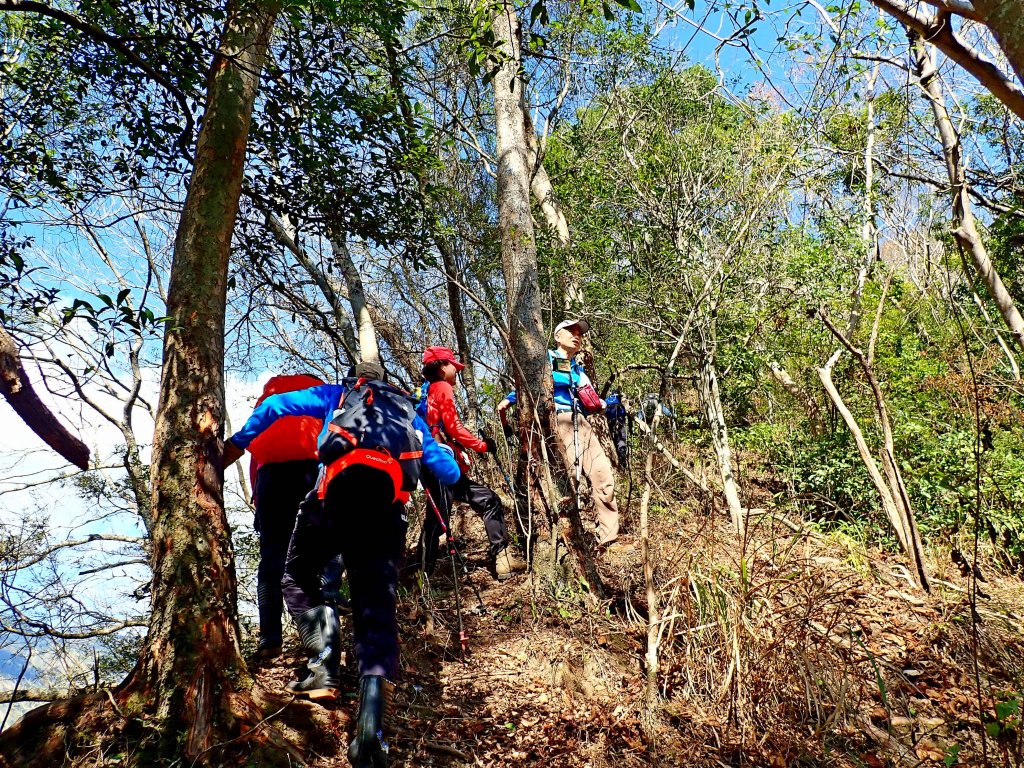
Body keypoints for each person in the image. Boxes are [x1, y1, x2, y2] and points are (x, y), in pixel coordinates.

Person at [225, 361, 460, 768]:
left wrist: (238, 443)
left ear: (356, 381)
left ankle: (324, 661)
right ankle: (371, 735)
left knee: (296, 575)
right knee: (376, 612)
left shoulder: (335, 395)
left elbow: (275, 406)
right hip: (387, 514)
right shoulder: (409, 412)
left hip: (332, 499)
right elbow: (449, 470)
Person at [497, 319, 621, 549]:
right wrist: (509, 399)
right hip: (560, 421)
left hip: (583, 423)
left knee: (603, 476)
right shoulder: (547, 361)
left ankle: (608, 537)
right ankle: (565, 540)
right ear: (557, 336)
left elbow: (590, 396)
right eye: (571, 332)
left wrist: (600, 403)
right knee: (567, 480)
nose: (577, 336)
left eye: (579, 333)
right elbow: (529, 385)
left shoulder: (578, 368)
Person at [416, 346, 526, 581]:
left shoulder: (425, 392)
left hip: (438, 463)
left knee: (488, 499)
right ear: (442, 366)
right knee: (437, 521)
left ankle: (503, 558)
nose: (455, 372)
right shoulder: (442, 387)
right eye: (453, 367)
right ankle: (420, 579)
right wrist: (482, 445)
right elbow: (453, 426)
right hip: (440, 462)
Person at [242, 373, 325, 660]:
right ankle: (322, 641)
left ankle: (269, 638)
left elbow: (256, 461)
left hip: (270, 479)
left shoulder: (269, 409)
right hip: (310, 471)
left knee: (272, 557)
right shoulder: (316, 402)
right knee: (316, 555)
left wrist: (257, 500)